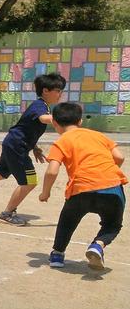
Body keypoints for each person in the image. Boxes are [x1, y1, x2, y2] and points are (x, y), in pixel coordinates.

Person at [0, 73, 67, 226]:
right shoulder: (40, 106)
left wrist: (35, 148)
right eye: (58, 90)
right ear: (45, 91)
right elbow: (42, 119)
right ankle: (7, 214)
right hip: (17, 146)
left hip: (13, 143)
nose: (60, 94)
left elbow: (27, 127)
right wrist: (65, 118)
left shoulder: (43, 106)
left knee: (0, 174)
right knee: (30, 182)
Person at [38, 102, 125, 270]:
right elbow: (119, 157)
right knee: (112, 225)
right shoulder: (98, 135)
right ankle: (98, 245)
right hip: (112, 187)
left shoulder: (61, 142)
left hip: (80, 189)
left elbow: (52, 171)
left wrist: (45, 193)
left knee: (67, 221)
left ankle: (57, 254)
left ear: (54, 123)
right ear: (80, 121)